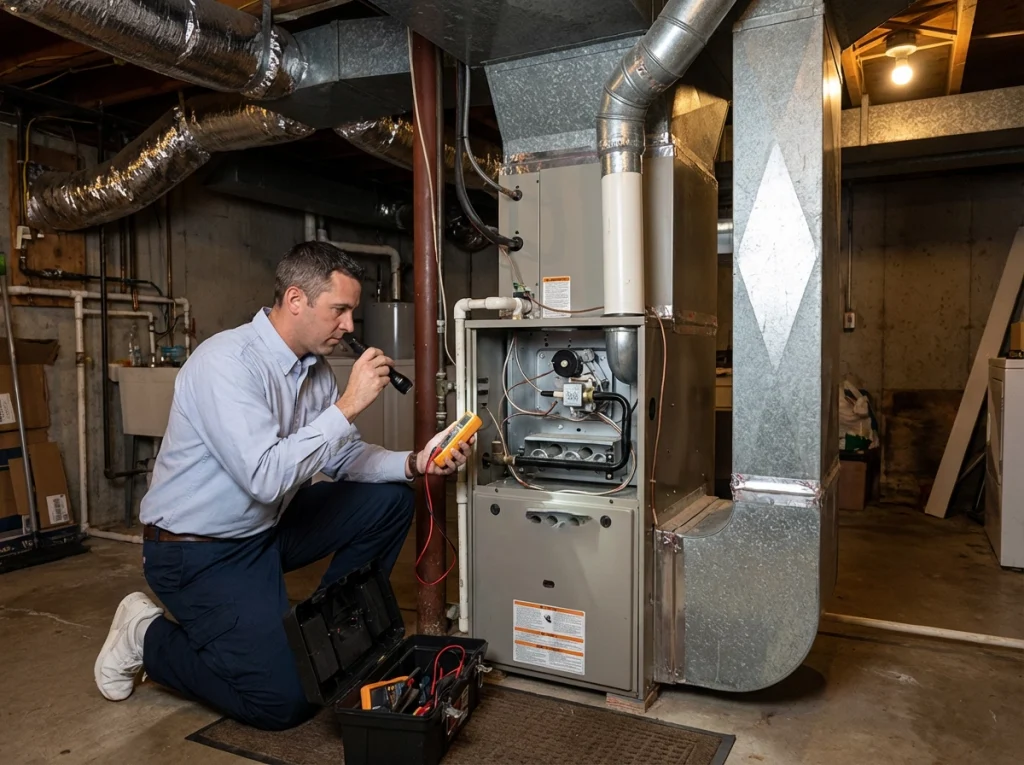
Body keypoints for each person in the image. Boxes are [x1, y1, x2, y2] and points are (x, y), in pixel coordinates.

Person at [93, 241, 471, 730]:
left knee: (390, 500)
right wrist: (348, 406)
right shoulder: (226, 364)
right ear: (296, 300)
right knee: (284, 702)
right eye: (339, 310)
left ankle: (332, 631)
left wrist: (416, 462)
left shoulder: (315, 373)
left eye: (351, 313)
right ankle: (145, 636)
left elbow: (343, 457)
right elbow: (265, 478)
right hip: (196, 552)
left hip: (264, 533)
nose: (349, 326)